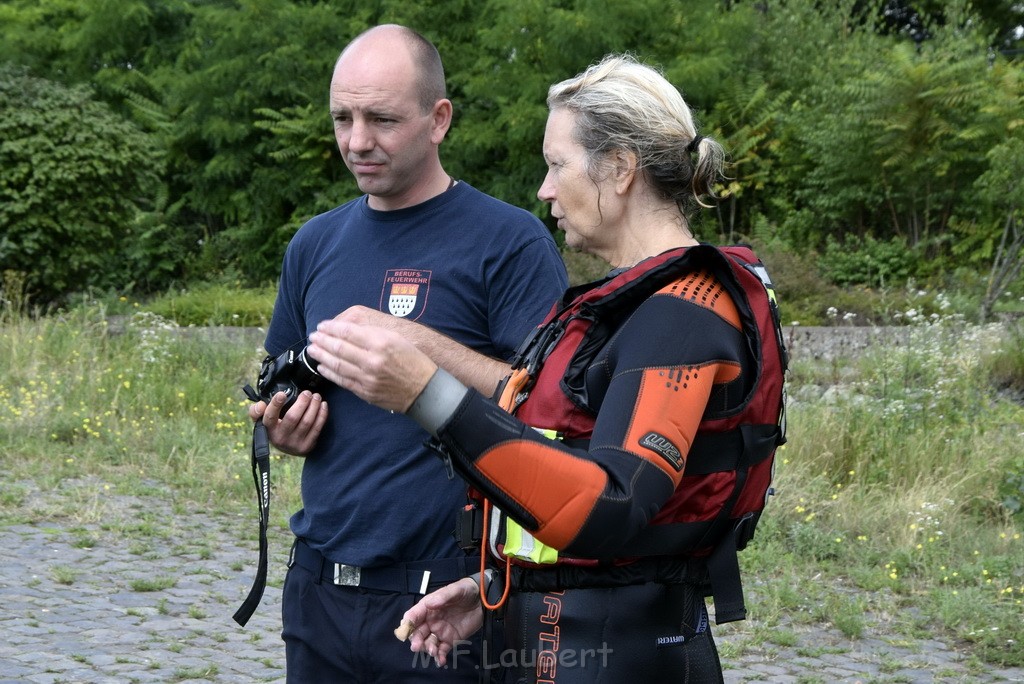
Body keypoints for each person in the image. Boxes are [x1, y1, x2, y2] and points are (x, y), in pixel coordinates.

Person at [307, 53, 787, 683]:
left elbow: (615, 506)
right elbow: (569, 454)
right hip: (567, 639)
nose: (545, 189)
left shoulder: (682, 315)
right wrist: (505, 581)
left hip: (628, 655)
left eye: (558, 165)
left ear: (618, 169)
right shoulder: (630, 304)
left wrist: (427, 395)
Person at [248, 24, 568, 683]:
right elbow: (279, 383)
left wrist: (422, 354)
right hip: (318, 589)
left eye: (382, 118)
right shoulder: (314, 243)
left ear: (438, 119)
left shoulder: (511, 241)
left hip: (446, 601)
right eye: (343, 117)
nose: (357, 140)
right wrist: (283, 427)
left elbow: (550, 408)